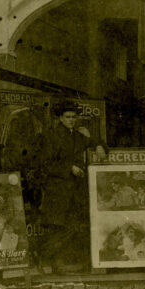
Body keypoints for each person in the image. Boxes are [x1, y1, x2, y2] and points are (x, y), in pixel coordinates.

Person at [38, 100, 108, 273]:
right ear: (60, 118)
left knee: (73, 227)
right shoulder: (50, 136)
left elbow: (94, 140)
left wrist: (99, 147)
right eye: (67, 117)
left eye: (74, 117)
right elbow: (44, 164)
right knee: (59, 228)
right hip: (58, 191)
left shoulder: (77, 136)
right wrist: (69, 168)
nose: (71, 120)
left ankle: (54, 262)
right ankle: (46, 259)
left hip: (75, 191)